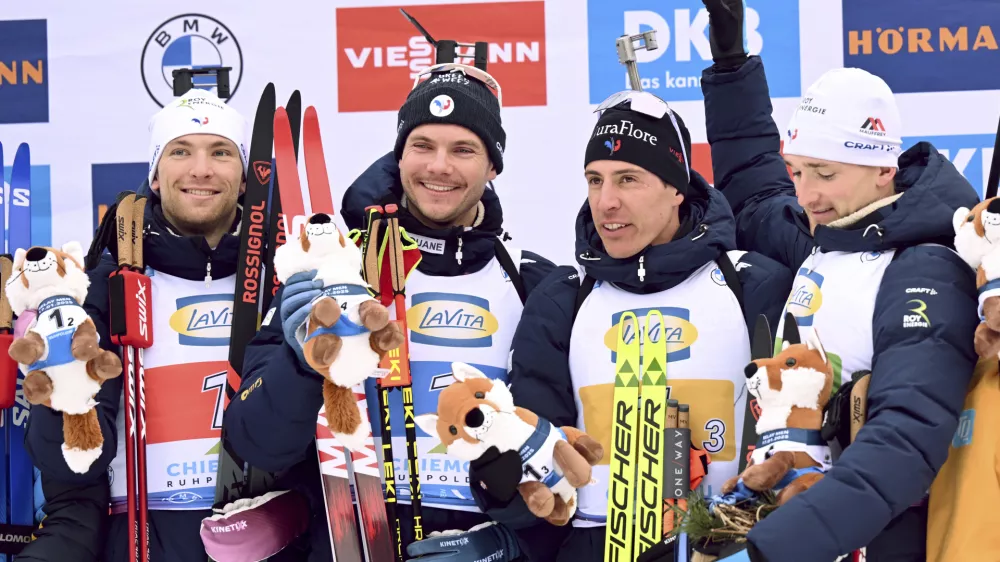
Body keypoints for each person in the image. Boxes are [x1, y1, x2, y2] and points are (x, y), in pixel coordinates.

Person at [223, 64, 556, 560]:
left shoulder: (534, 286)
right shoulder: (332, 273)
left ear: (492, 167)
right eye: (422, 146)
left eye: (463, 150)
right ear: (399, 157)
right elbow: (254, 442)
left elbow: (561, 469)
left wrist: (510, 544)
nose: (439, 166)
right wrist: (299, 365)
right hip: (349, 541)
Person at [695, 0, 981, 560]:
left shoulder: (925, 267)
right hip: (797, 521)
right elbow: (755, 186)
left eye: (824, 174)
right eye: (798, 170)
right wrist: (732, 65)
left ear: (882, 168)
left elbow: (902, 442)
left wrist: (770, 549)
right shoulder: (827, 234)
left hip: (873, 541)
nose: (805, 194)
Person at [463, 89, 794, 562]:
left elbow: (799, 448)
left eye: (628, 179)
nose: (606, 202)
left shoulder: (753, 284)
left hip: (726, 546)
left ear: (677, 186)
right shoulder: (563, 298)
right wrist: (500, 480)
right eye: (594, 181)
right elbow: (538, 490)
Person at [23, 87, 252, 561]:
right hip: (144, 542)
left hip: (264, 538)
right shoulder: (103, 289)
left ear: (246, 176)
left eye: (221, 152)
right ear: (154, 173)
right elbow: (71, 470)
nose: (201, 169)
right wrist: (62, 388)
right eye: (181, 151)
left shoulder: (277, 281)